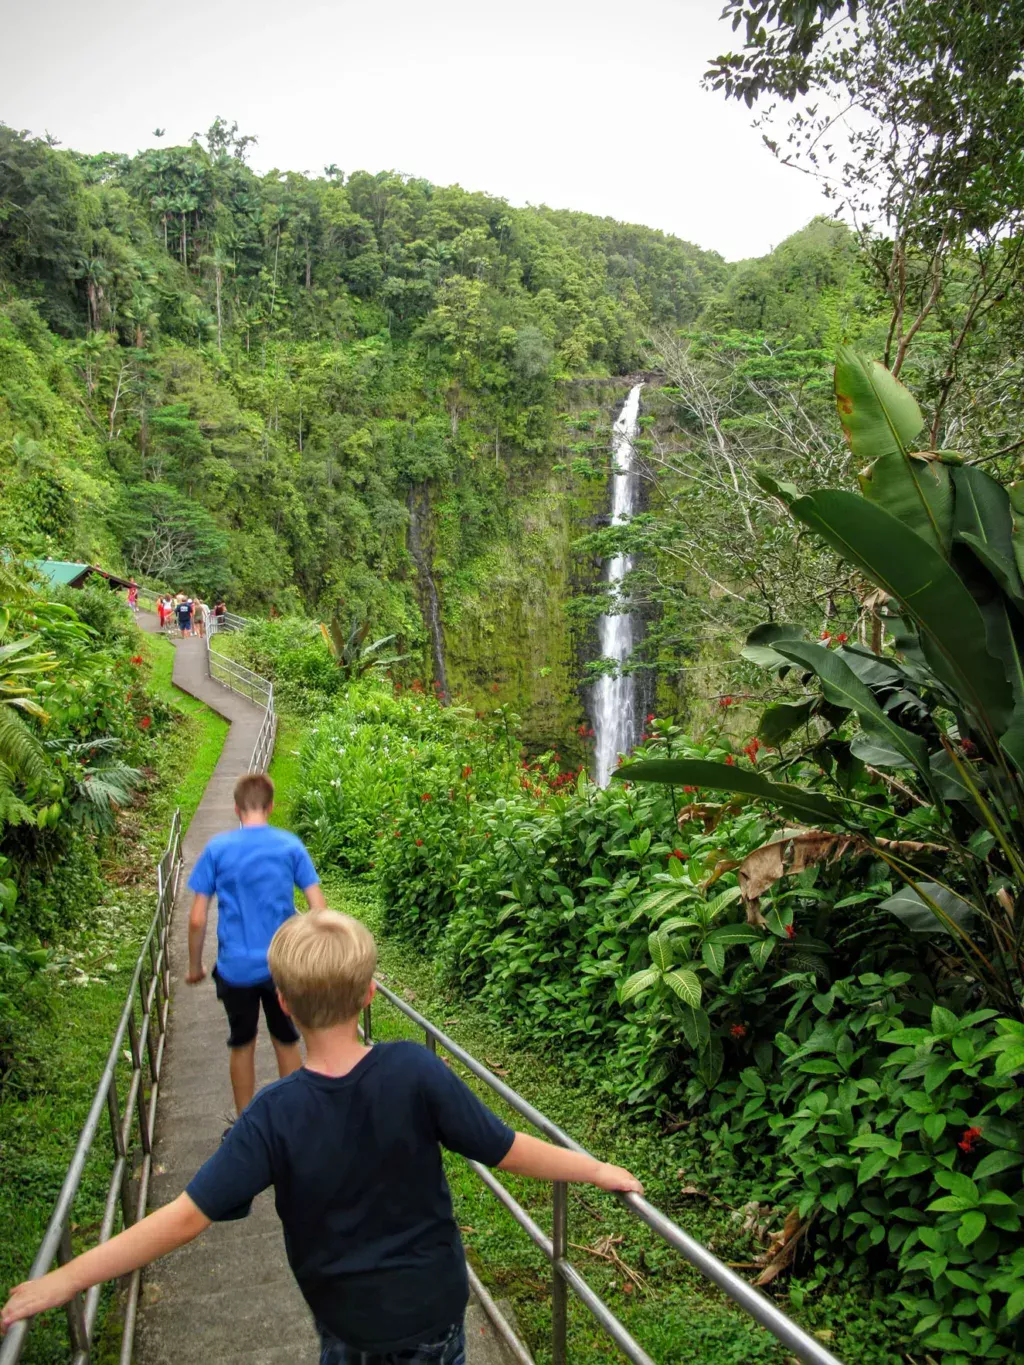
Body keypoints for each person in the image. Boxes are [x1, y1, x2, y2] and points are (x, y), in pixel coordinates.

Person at [0, 909, 643, 1359]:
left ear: (281, 1001)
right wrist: (594, 1169)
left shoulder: (271, 1115)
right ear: (370, 994)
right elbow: (507, 1150)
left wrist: (68, 1280)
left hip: (345, 1322)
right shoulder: (415, 1070)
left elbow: (183, 1218)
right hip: (432, 1313)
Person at [186, 773, 327, 1115]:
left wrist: (195, 966)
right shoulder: (289, 845)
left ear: (236, 808)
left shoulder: (217, 849)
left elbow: (196, 919)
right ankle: (293, 1119)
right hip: (280, 966)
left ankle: (246, 1123)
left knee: (241, 1042)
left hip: (235, 969)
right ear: (271, 806)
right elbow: (319, 910)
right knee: (286, 1037)